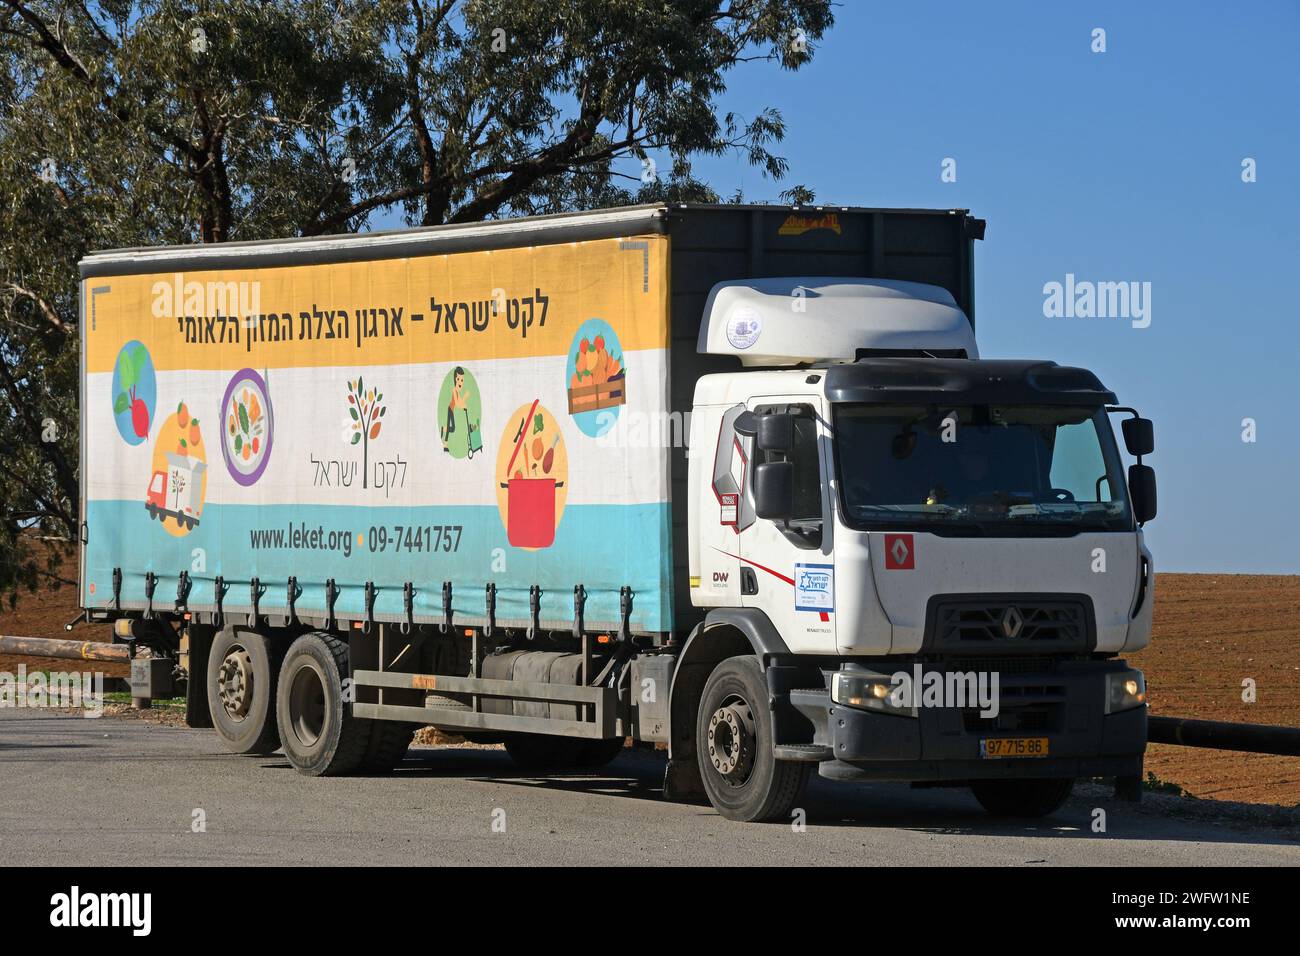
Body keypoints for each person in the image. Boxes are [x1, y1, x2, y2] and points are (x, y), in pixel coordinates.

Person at [441, 367, 467, 452]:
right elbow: (458, 403)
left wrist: (464, 406)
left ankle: (444, 429)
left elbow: (460, 403)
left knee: (452, 428)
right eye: (459, 379)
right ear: (456, 379)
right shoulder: (454, 390)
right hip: (450, 410)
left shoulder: (457, 392)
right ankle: (445, 445)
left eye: (462, 380)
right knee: (451, 428)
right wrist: (465, 398)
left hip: (451, 410)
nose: (460, 382)